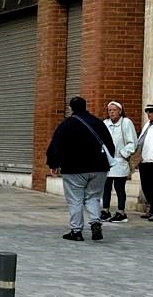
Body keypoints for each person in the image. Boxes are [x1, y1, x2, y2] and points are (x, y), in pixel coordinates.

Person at [46, 96, 116, 242]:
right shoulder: (98, 123)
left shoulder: (66, 124)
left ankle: (76, 231)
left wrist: (53, 164)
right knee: (93, 197)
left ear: (70, 108)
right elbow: (110, 145)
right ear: (85, 106)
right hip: (99, 167)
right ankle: (95, 223)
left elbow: (56, 145)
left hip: (74, 168)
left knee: (75, 199)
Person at [101, 100, 139, 222]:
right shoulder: (105, 123)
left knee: (119, 187)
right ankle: (105, 211)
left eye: (114, 110)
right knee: (106, 187)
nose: (111, 112)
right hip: (107, 161)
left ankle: (121, 212)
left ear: (120, 111)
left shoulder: (126, 123)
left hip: (119, 161)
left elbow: (133, 142)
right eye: (109, 110)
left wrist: (123, 153)